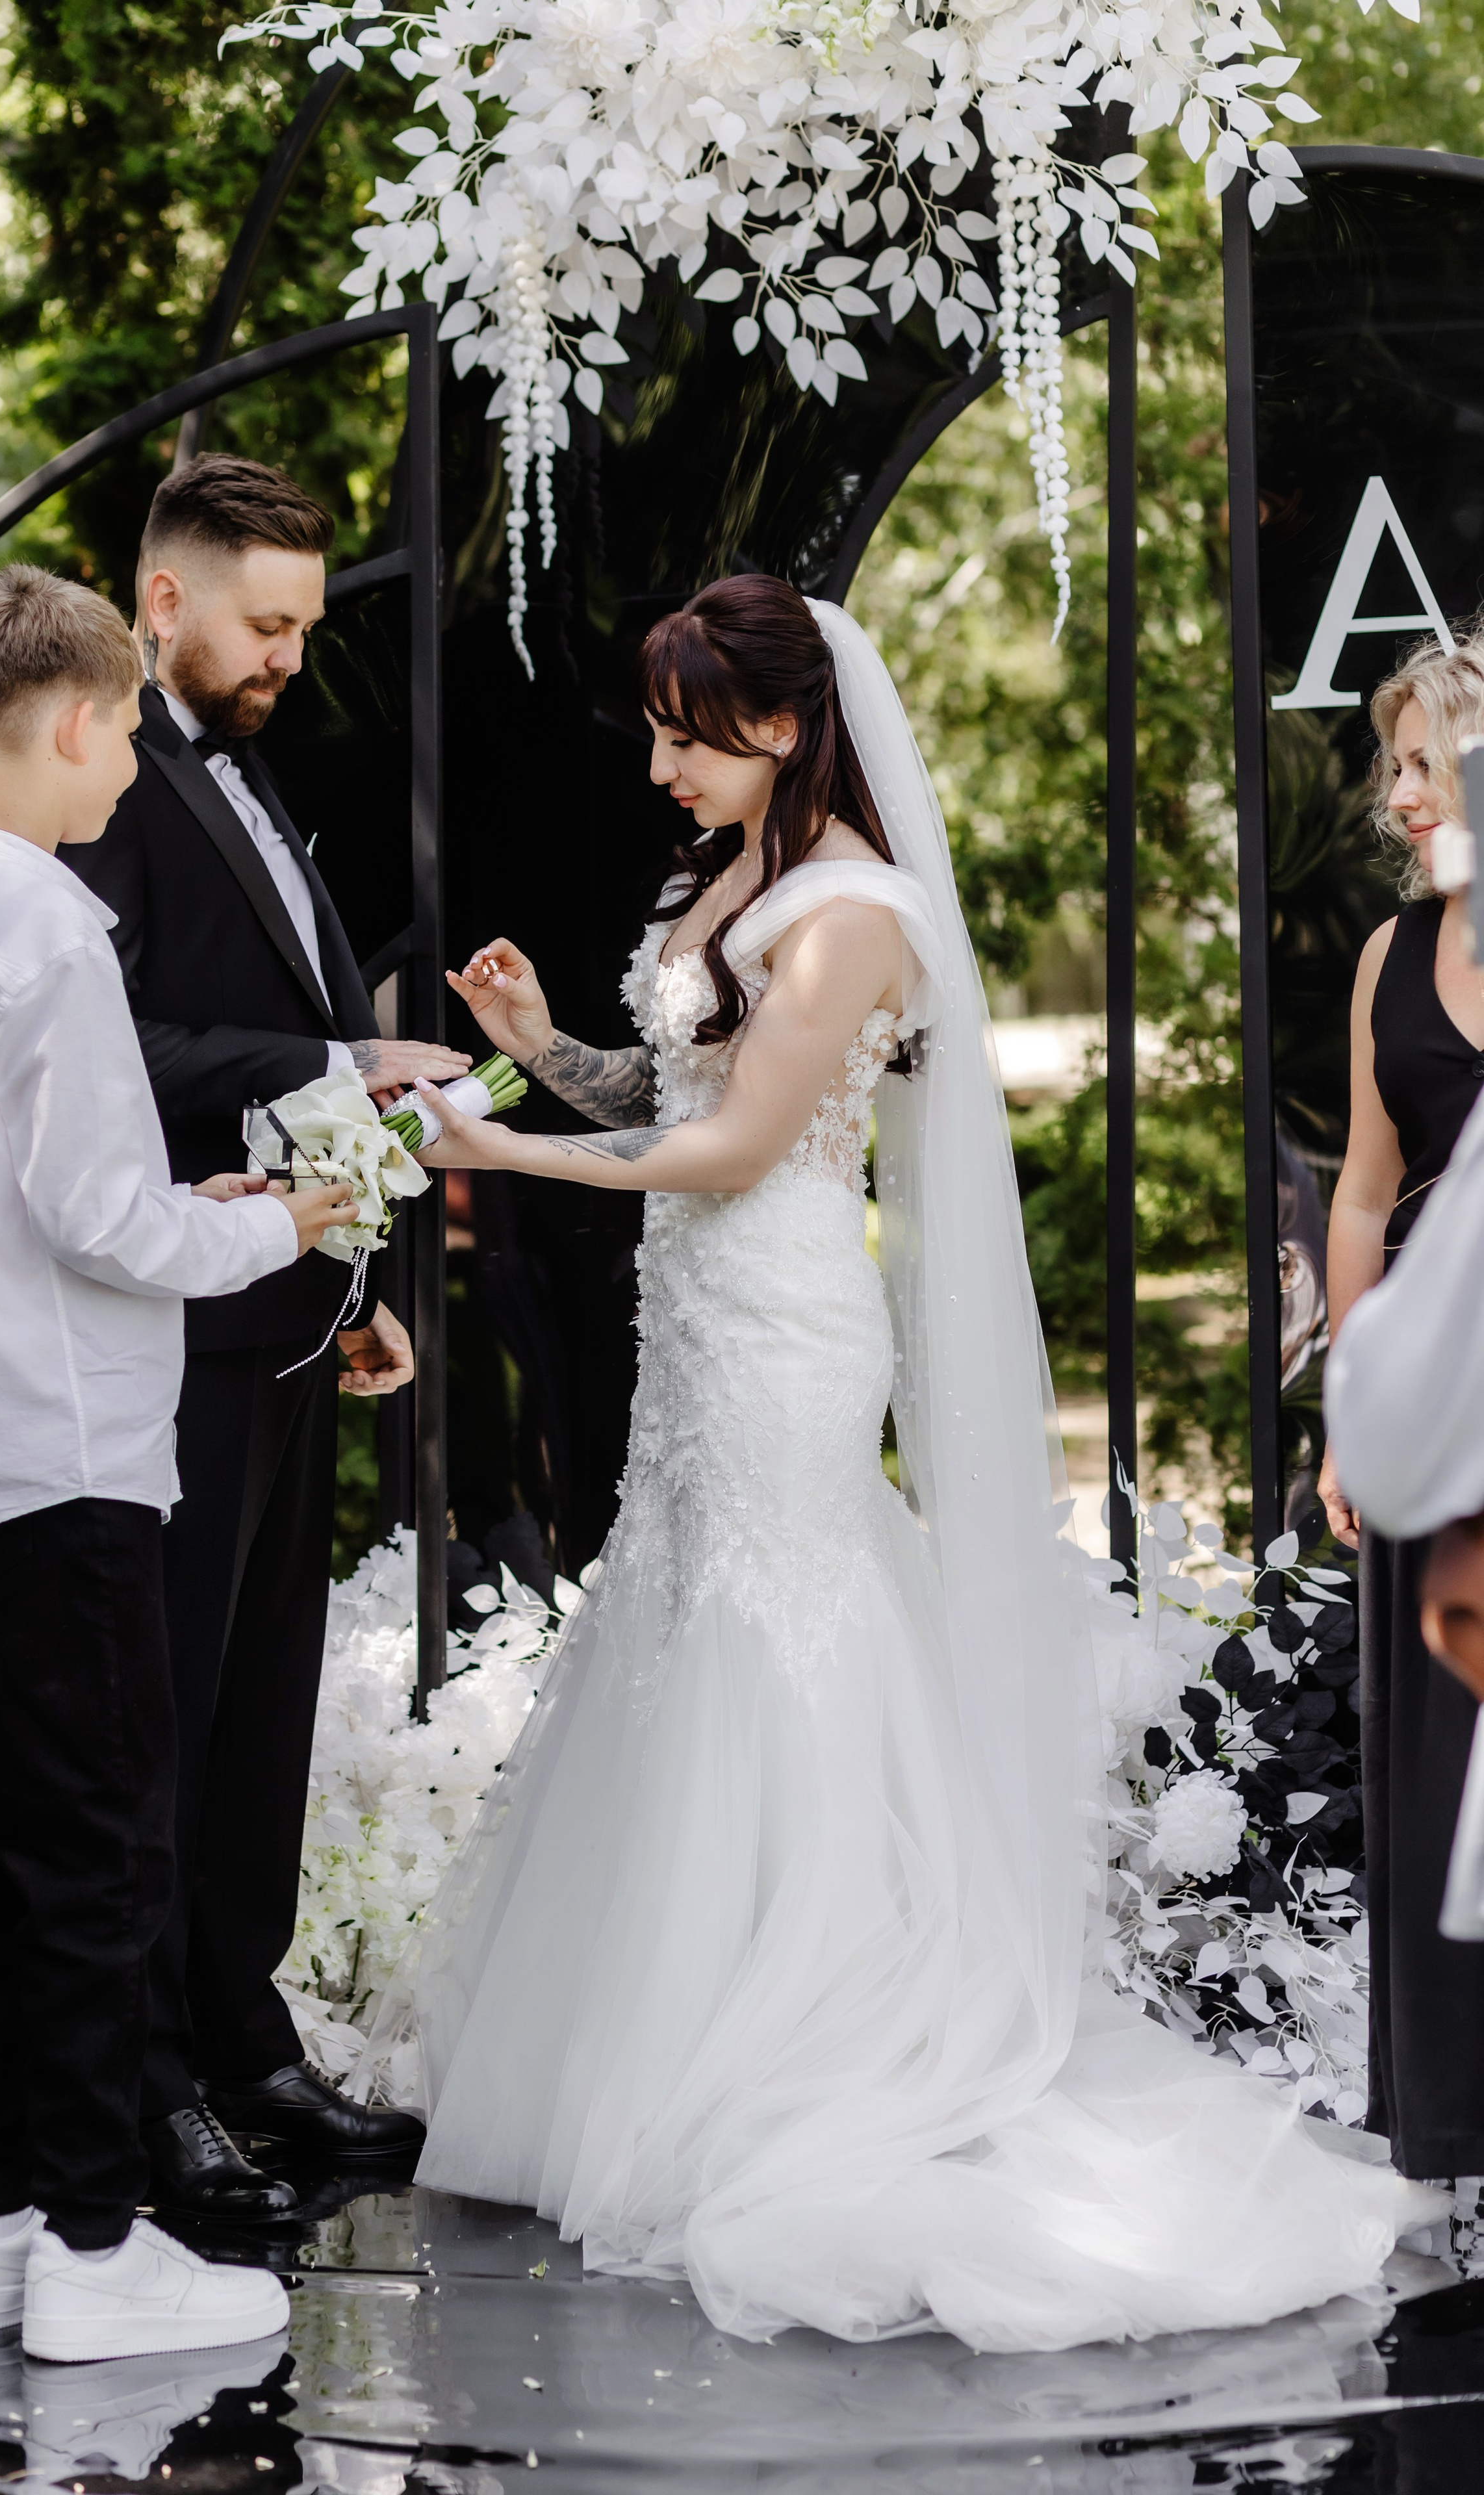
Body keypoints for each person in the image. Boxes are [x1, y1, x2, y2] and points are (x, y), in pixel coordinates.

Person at [365, 576, 1437, 2353]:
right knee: (684, 1634)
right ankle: (666, 2039)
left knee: (786, 1640)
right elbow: (666, 1083)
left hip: (780, 1327)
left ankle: (820, 2035)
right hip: (698, 1335)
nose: (655, 766)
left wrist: (495, 1148)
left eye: (680, 730)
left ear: (780, 725)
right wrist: (541, 1047)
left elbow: (735, 1148)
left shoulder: (855, 909)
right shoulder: (736, 884)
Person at [0, 566, 353, 2357]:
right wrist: (277, 1226)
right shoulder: (53, 927)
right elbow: (92, 1222)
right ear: (71, 719)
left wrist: (174, 1206)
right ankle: (87, 2246)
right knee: (94, 1860)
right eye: (130, 726)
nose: (135, 762)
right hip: (62, 1471)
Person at [64, 456, 460, 2216]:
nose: (293, 655)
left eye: (303, 624)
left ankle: (245, 2040)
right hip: (167, 1332)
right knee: (167, 1709)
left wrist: (362, 1288)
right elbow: (110, 1057)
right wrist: (330, 1066)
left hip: (290, 1320)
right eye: (267, 622)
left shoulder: (256, 772)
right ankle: (152, 2084)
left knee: (260, 1713)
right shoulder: (94, 785)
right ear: (167, 603)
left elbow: (305, 1035)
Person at [1312, 633, 1484, 2183]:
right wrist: (1349, 1409)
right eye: (1395, 767)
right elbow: (1362, 1197)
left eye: (1426, 763)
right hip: (1438, 1393)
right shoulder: (1389, 956)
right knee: (1437, 1772)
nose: (1399, 797)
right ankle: (1450, 2125)